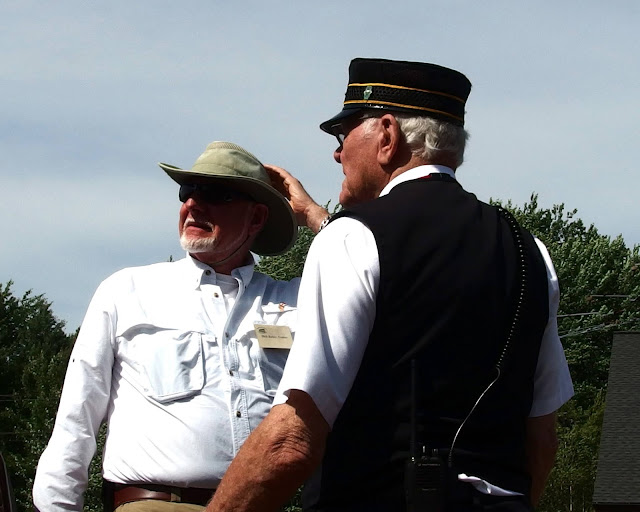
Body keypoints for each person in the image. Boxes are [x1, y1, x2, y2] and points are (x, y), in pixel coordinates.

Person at [207, 59, 574, 512]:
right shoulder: (530, 250)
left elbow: (292, 441)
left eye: (342, 136)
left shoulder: (352, 237)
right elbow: (541, 438)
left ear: (386, 135)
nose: (337, 155)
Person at [33, 141, 328, 511]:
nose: (193, 204)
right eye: (187, 191)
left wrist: (315, 215)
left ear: (256, 218)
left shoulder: (296, 301)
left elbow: (374, 282)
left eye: (216, 194)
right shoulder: (127, 291)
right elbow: (74, 423)